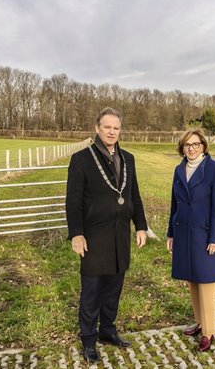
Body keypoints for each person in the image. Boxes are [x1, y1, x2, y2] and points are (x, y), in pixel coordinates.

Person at [65, 107, 148, 363]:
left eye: (116, 128)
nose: (112, 132)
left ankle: (108, 331)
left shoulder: (128, 158)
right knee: (91, 293)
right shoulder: (81, 159)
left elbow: (133, 194)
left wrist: (141, 225)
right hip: (94, 237)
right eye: (107, 127)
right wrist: (76, 234)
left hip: (120, 236)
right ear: (97, 129)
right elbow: (73, 201)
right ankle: (89, 341)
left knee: (113, 289)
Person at [166, 128, 215, 352]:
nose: (191, 149)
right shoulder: (178, 170)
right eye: (187, 145)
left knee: (206, 283)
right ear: (182, 148)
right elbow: (174, 204)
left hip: (205, 235)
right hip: (183, 233)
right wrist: (170, 233)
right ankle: (200, 322)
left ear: (203, 146)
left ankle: (209, 331)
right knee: (191, 280)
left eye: (196, 144)